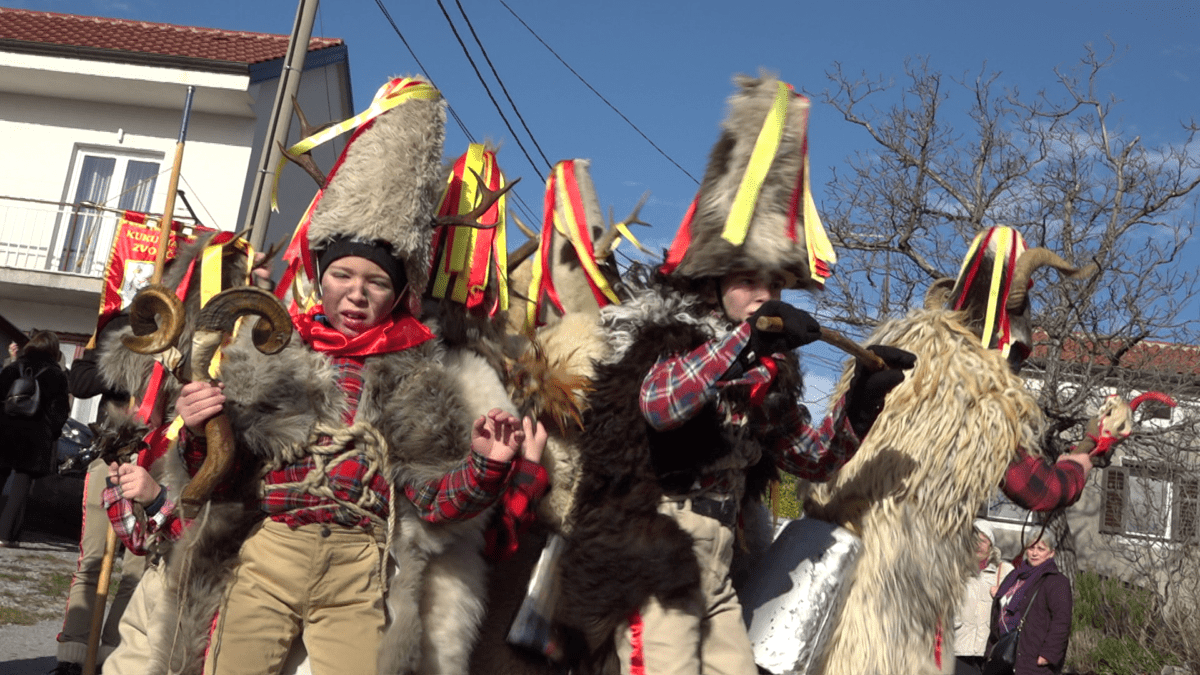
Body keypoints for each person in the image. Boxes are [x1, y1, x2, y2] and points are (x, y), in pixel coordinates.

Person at [136, 77, 549, 675]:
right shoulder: (269, 351)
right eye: (342, 275)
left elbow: (435, 504)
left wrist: (484, 466)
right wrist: (200, 432)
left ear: (400, 292)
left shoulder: (422, 380)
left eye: (376, 281)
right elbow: (220, 477)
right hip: (271, 551)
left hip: (360, 566)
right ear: (319, 275)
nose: (357, 293)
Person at [555, 73, 916, 674]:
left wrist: (860, 403)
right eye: (748, 280)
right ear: (715, 281)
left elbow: (811, 460)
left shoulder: (770, 372)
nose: (764, 295)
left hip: (719, 559)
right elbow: (660, 404)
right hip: (653, 547)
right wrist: (747, 341)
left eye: (775, 284)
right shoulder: (667, 335)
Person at [49, 315, 144, 675]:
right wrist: (130, 364)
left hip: (155, 459)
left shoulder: (190, 330)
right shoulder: (118, 323)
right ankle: (73, 658)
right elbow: (81, 381)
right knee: (91, 561)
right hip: (110, 452)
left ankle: (111, 659)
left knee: (137, 570)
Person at [0, 329, 70, 547]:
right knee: (20, 487)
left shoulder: (13, 368)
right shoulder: (56, 375)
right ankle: (6, 535)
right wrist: (52, 433)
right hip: (34, 437)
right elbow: (60, 411)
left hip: (4, 431)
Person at [986, 531, 1072, 675]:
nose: (1034, 553)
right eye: (1031, 548)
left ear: (1051, 553)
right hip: (1004, 654)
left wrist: (1048, 655)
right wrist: (991, 648)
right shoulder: (1016, 575)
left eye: (1041, 549)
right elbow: (999, 611)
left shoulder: (1057, 582)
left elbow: (1062, 621)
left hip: (1031, 660)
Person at [955, 520, 1015, 674]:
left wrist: (1003, 595)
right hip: (958, 647)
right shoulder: (954, 569)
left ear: (991, 546)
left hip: (989, 651)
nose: (978, 544)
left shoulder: (1005, 571)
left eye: (983, 540)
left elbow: (1018, 604)